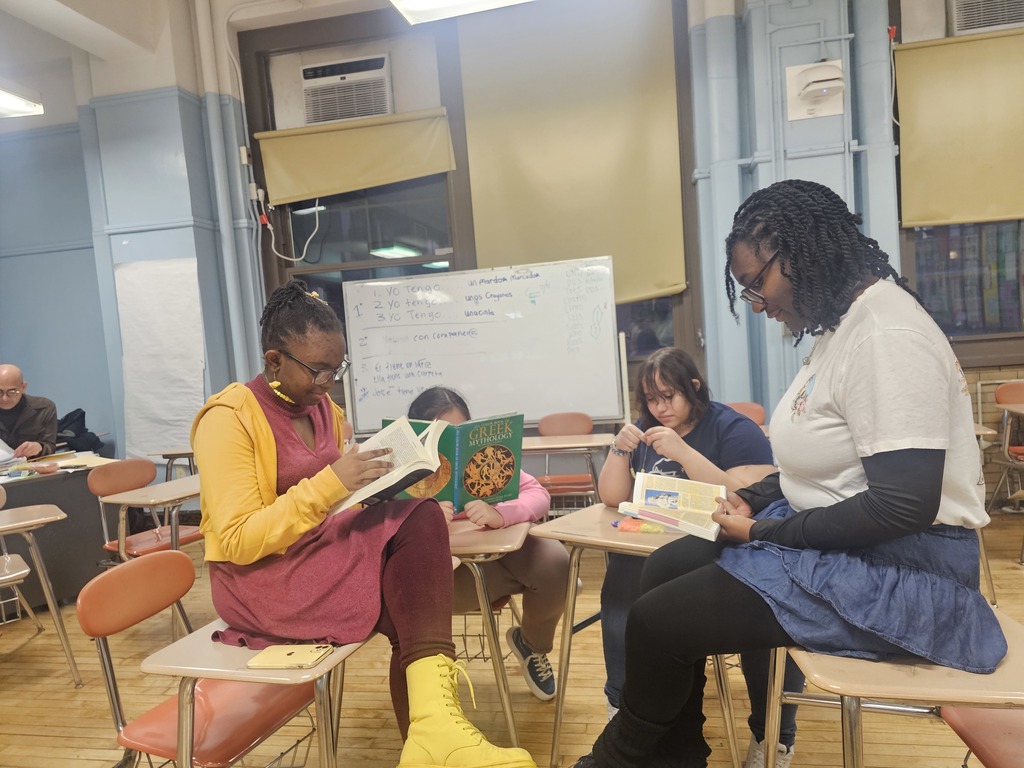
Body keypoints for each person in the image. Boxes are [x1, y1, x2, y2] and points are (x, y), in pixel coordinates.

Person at [572, 179, 1006, 768]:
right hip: (845, 539)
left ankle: (620, 757)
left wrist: (762, 534)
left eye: (756, 283)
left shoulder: (887, 336)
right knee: (665, 566)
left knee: (656, 622)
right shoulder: (842, 330)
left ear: (800, 251)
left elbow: (900, 506)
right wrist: (753, 499)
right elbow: (826, 462)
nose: (755, 302)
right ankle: (678, 753)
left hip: (900, 566)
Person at [191, 280, 536, 768]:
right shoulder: (229, 419)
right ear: (274, 361)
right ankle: (438, 740)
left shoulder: (323, 411)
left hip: (317, 555)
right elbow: (238, 540)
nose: (328, 382)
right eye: (317, 370)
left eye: (337, 368)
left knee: (414, 557)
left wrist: (375, 489)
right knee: (413, 594)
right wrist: (334, 483)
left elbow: (333, 506)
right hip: (262, 580)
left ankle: (434, 742)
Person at [596, 347, 796, 766]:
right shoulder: (647, 428)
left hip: (729, 549)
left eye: (669, 396)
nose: (659, 408)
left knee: (761, 606)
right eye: (651, 399)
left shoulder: (734, 429)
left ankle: (773, 734)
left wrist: (683, 453)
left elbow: (748, 499)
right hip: (659, 545)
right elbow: (613, 497)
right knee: (620, 580)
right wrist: (619, 449)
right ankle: (626, 706)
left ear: (694, 388)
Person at [408, 386, 570, 702]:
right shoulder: (400, 469)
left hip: (493, 559)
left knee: (556, 562)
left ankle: (532, 645)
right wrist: (420, 519)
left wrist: (500, 513)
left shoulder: (486, 459)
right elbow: (376, 522)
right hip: (442, 581)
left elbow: (538, 495)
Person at [0, 364, 57, 459]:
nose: (4, 398)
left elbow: (50, 446)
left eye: (11, 392)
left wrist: (39, 447)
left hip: (32, 468)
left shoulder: (44, 408)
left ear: (23, 387)